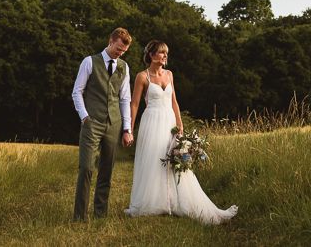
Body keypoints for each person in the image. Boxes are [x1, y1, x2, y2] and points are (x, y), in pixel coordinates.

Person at [124, 40, 237, 224]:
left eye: (166, 53)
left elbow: (174, 101)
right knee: (154, 160)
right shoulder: (142, 77)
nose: (165, 56)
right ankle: (152, 202)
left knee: (173, 160)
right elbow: (135, 104)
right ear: (151, 55)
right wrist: (129, 128)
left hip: (169, 122)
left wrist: (180, 124)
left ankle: (175, 201)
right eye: (161, 53)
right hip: (151, 121)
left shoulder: (169, 74)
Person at [71, 27, 134, 221]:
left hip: (113, 124)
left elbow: (125, 99)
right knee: (87, 168)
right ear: (111, 41)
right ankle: (80, 216)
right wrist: (85, 117)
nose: (120, 53)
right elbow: (77, 92)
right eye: (118, 48)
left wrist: (127, 129)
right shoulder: (89, 62)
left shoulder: (124, 67)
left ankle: (100, 214)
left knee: (106, 170)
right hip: (92, 122)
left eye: (123, 51)